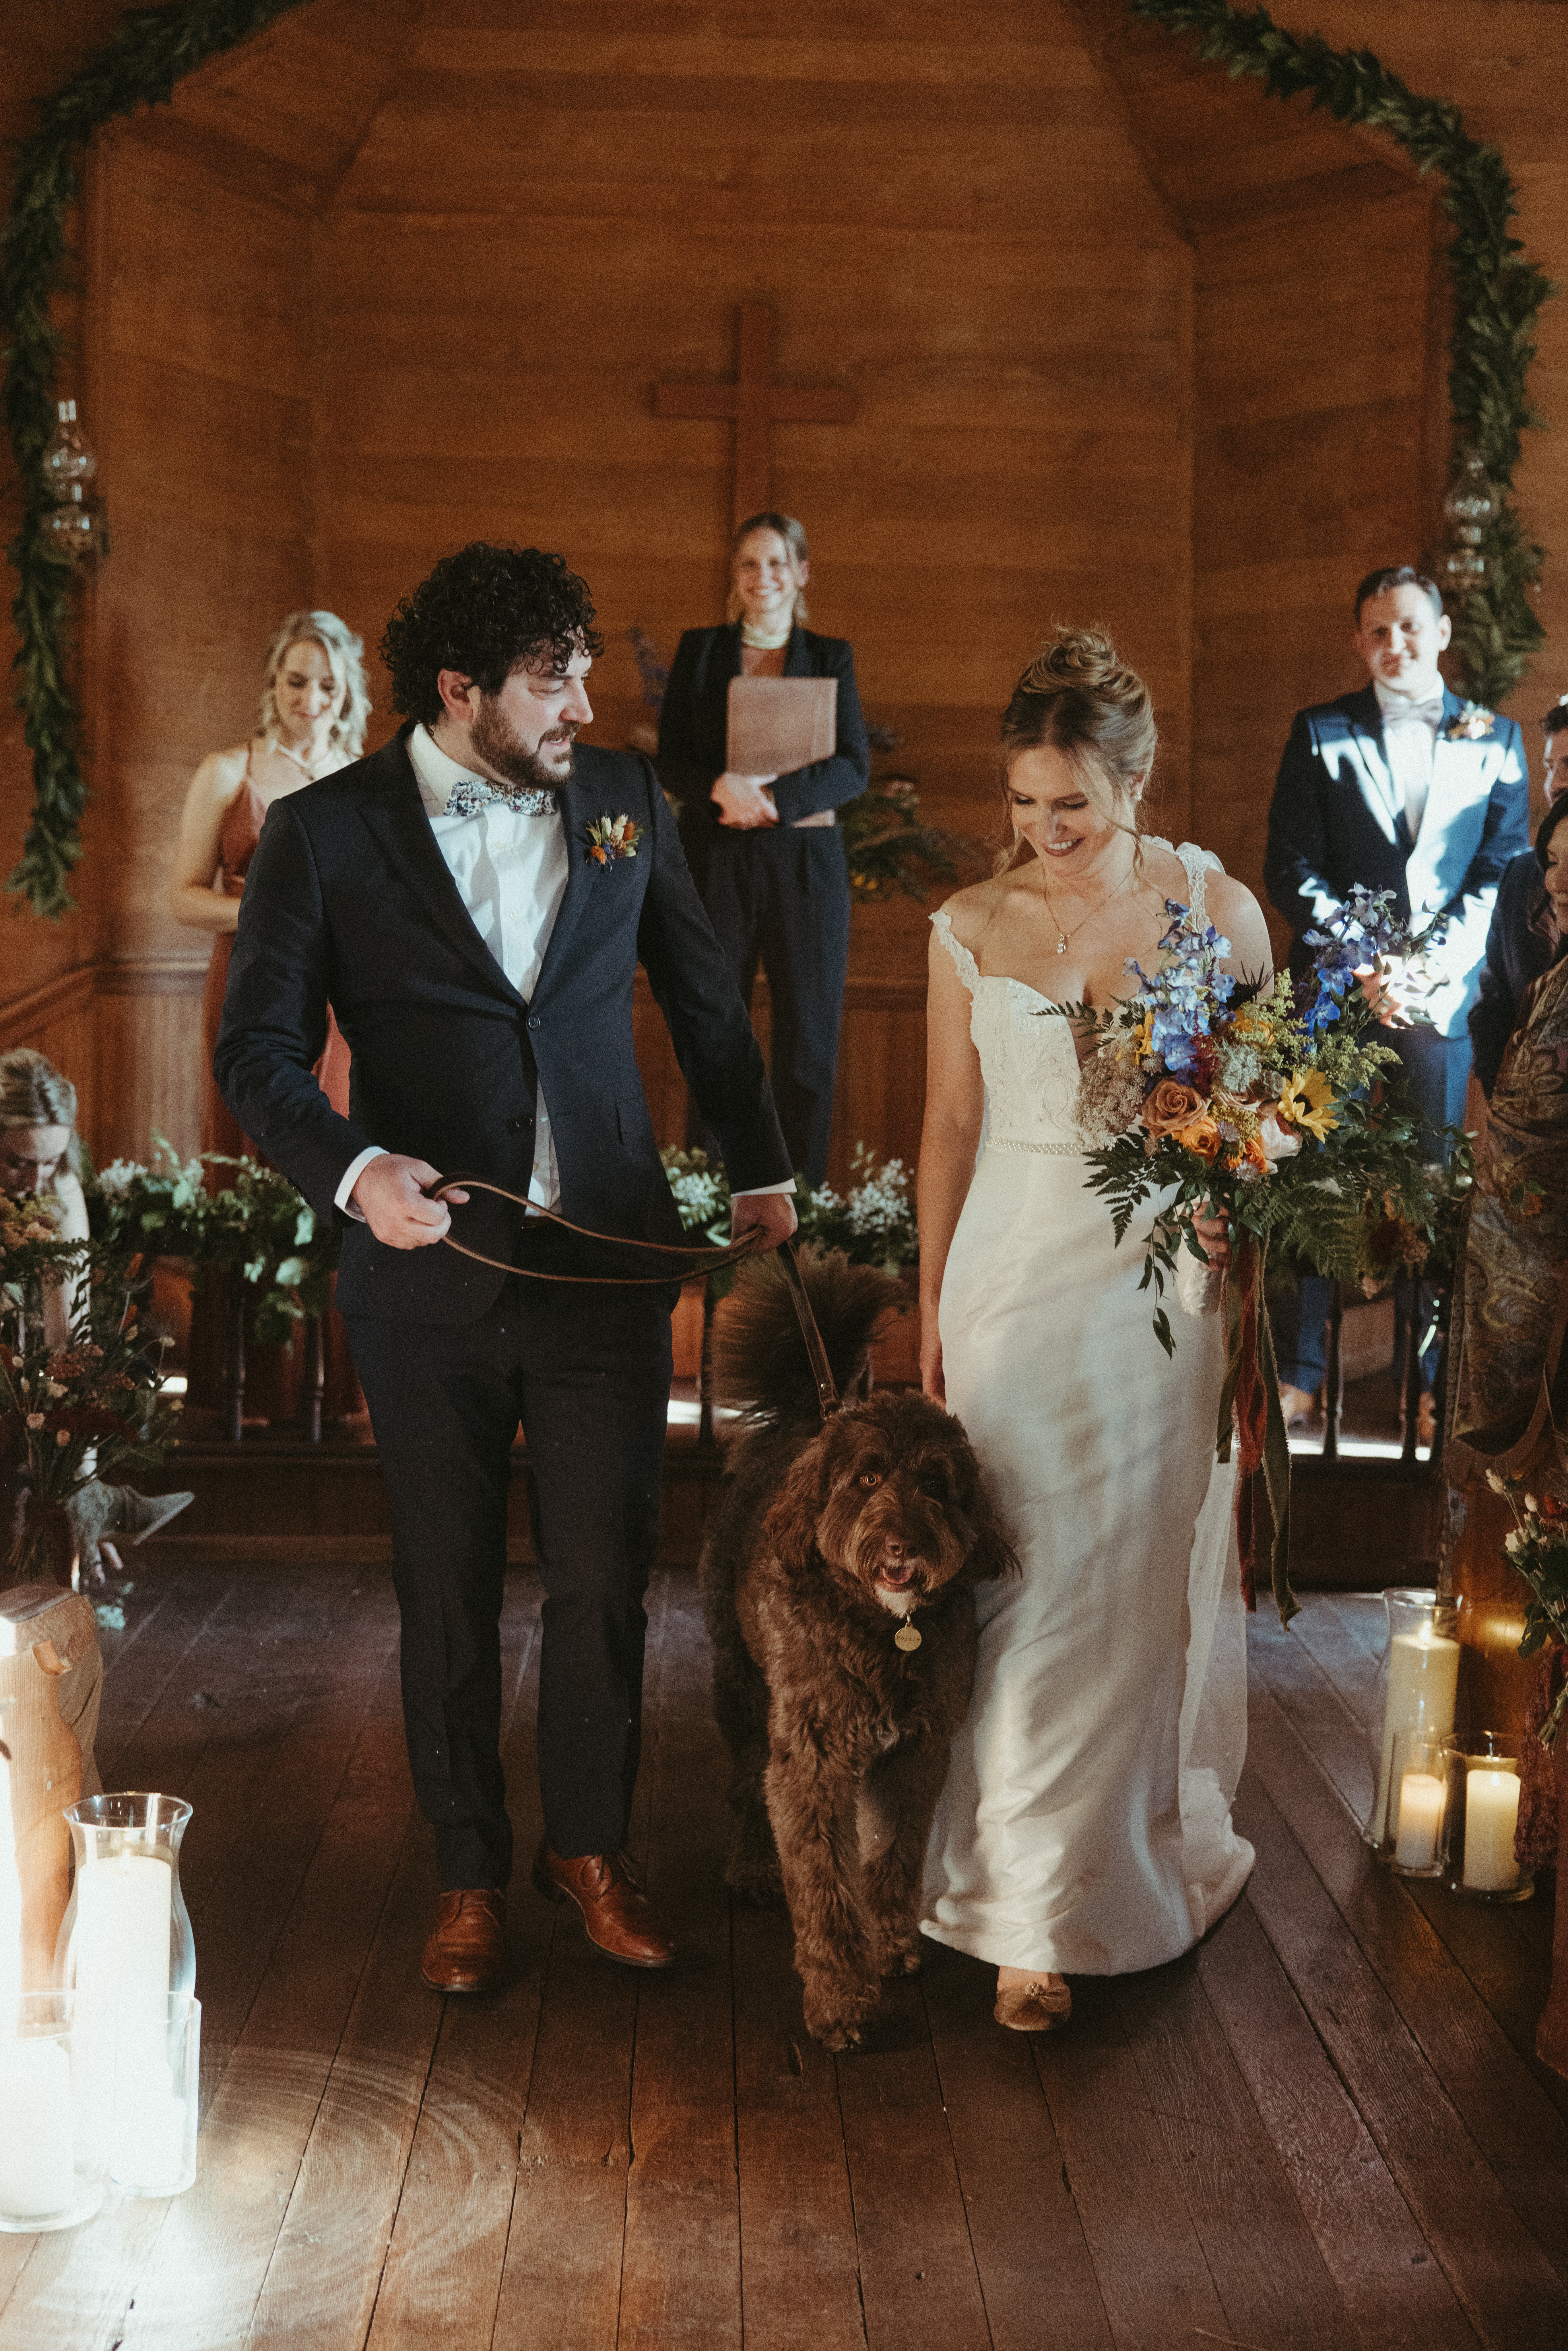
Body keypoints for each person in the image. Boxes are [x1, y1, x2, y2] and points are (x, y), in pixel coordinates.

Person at [214, 542, 797, 1996]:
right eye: (553, 678)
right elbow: (257, 1051)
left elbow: (705, 999)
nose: (582, 705)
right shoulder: (326, 832)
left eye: (586, 669)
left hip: (602, 1264)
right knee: (445, 1587)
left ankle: (588, 1850)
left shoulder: (617, 803)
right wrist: (355, 1174)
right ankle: (469, 1869)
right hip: (423, 1279)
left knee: (604, 1582)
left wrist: (760, 1161)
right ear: (462, 689)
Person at [917, 628, 1267, 2035]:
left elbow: (1252, 1121)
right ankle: (1002, 1884)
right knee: (1007, 1575)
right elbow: (950, 1122)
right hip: (1006, 1275)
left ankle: (1070, 1899)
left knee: (1116, 1584)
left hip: (1151, 1284)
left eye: (1071, 804)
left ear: (1137, 779)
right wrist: (933, 1298)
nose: (1042, 835)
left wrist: (1232, 1240)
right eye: (1021, 804)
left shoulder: (1213, 912)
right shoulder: (965, 926)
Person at [1263, 565, 1529, 1429]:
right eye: (1377, 631)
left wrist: (1435, 964)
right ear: (1358, 640)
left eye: (1409, 628)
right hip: (1339, 999)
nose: (1394, 645)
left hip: (1441, 1000)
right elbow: (1290, 867)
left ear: (1442, 632)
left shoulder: (1498, 738)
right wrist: (1366, 960)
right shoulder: (1318, 731)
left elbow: (1503, 870)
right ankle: (1300, 1371)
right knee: (1311, 1170)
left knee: (1431, 1186)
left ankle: (1430, 1383)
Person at [170, 610, 371, 1424]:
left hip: (342, 996)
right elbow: (183, 896)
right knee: (249, 1156)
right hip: (250, 980)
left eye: (327, 684)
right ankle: (247, 1389)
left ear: (348, 690)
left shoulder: (365, 777)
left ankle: (339, 1390)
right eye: (295, 681)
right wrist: (275, 910)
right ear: (272, 684)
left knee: (339, 1153)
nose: (310, 699)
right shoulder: (229, 771)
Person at [656, 512, 870, 1184]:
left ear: (800, 572)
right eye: (749, 563)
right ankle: (714, 1204)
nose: (762, 577)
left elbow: (852, 766)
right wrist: (719, 786)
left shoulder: (830, 655)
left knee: (807, 1045)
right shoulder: (699, 650)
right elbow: (668, 762)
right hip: (716, 861)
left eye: (776, 563)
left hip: (804, 866)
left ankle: (798, 1205)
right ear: (735, 575)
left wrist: (776, 801)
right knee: (718, 1034)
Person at [0, 1048, 193, 1577]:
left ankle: (97, 1507)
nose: (34, 1182)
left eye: (51, 1162)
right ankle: (114, 1506)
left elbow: (69, 1343)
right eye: (17, 1162)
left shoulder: (59, 1191)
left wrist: (72, 1487)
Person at [1469, 692, 1568, 1098]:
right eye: (1550, 767)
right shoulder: (1521, 873)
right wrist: (1509, 1098)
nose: (1557, 782)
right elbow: (1492, 1005)